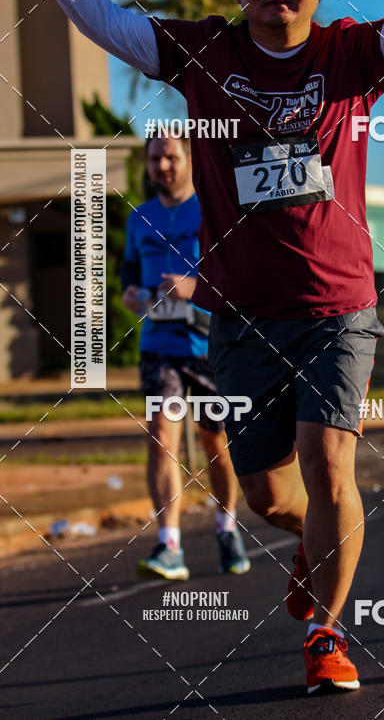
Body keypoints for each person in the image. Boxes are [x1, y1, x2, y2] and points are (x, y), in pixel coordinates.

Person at [8, 0, 384, 693]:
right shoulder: (202, 56)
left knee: (331, 462)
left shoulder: (352, 58)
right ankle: (309, 544)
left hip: (339, 305)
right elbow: (102, 18)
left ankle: (329, 635)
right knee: (268, 496)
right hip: (242, 316)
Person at [120, 131, 250, 579]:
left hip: (210, 346)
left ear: (188, 159)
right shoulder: (140, 218)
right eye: (156, 159)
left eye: (171, 157)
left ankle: (226, 526)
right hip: (160, 346)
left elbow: (239, 278)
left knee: (217, 443)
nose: (163, 167)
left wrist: (192, 288)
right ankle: (169, 545)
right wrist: (132, 294)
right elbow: (127, 276)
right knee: (161, 436)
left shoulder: (212, 210)